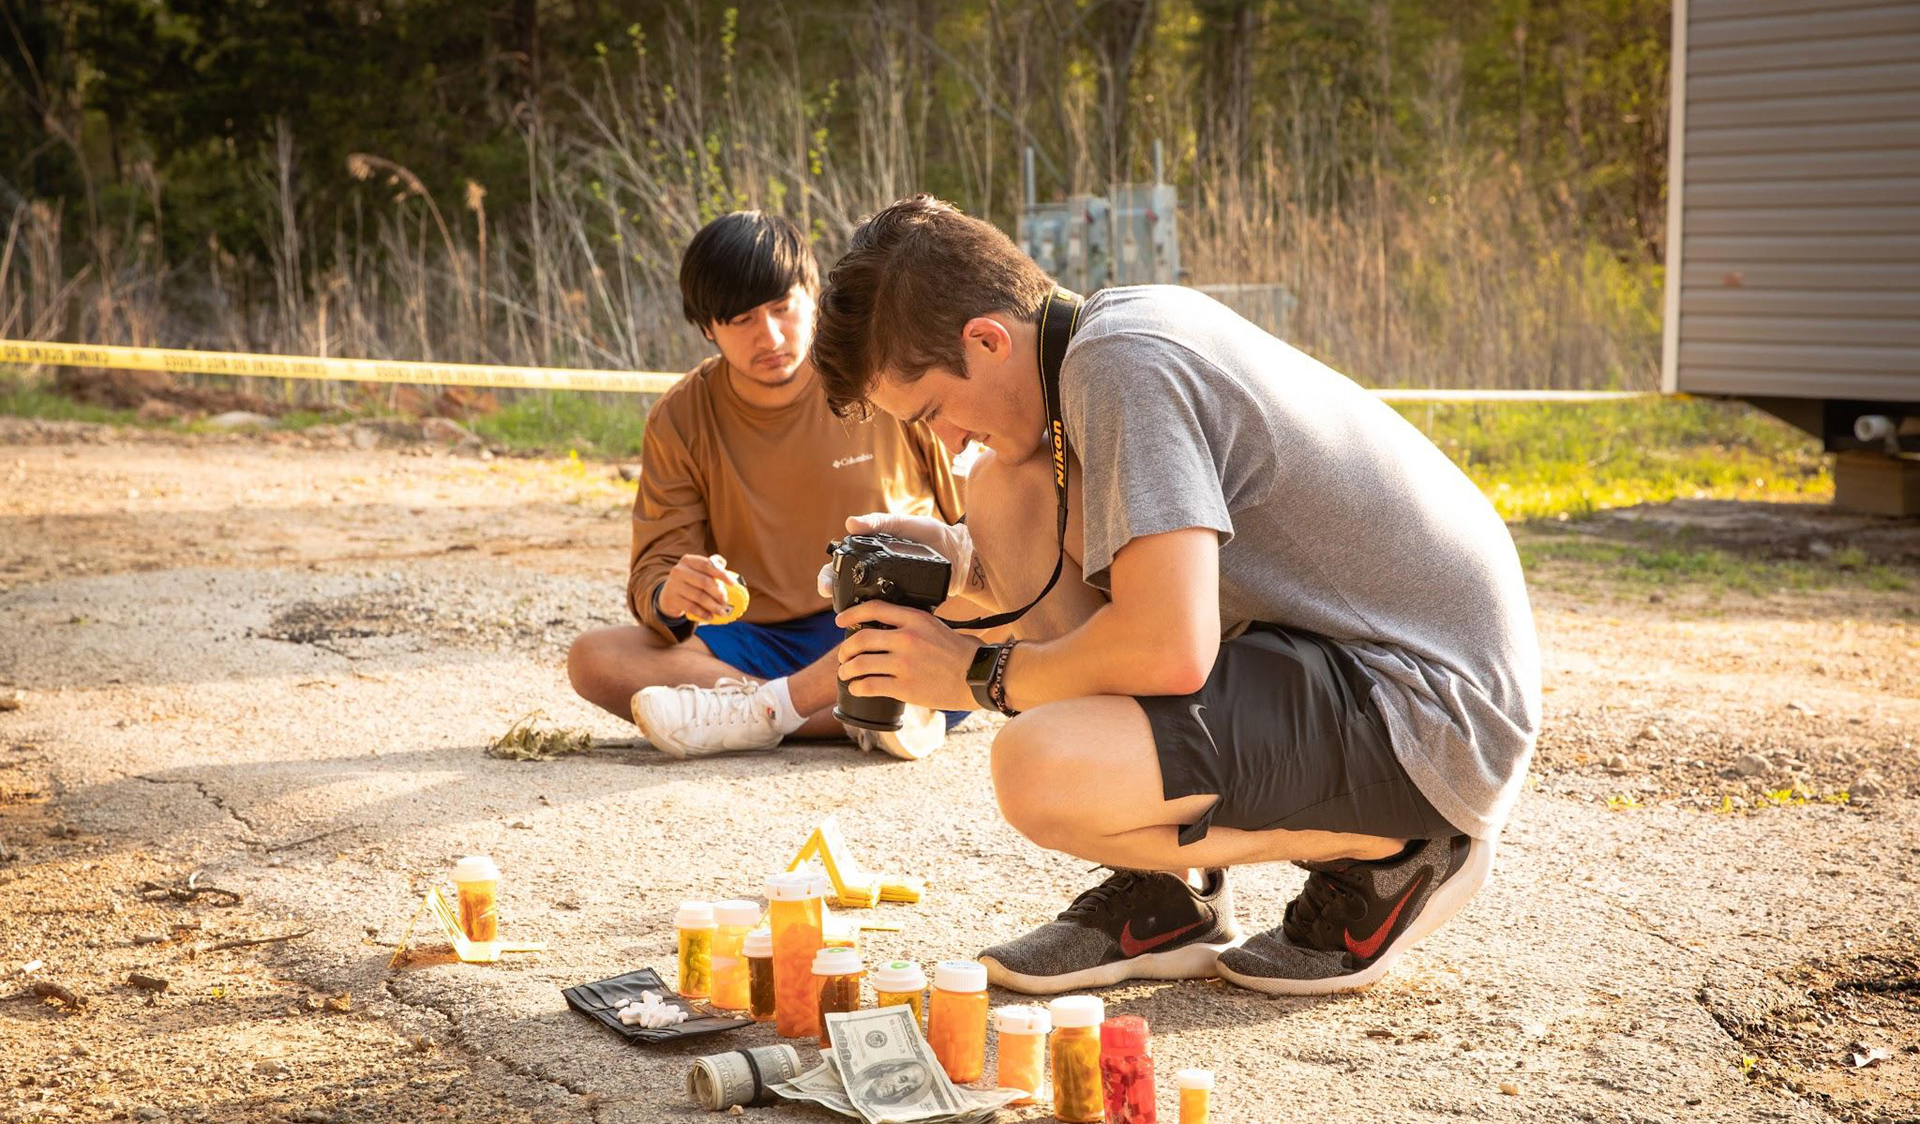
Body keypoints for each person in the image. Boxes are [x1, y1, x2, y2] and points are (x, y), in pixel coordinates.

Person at [808, 195, 1540, 995]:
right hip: (1341, 660)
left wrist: (974, 675)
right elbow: (1110, 574)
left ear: (985, 339)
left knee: (1038, 765)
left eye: (934, 413)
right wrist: (952, 570)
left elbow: (1168, 646)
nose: (944, 443)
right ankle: (1168, 892)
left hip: (1429, 709)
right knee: (1002, 491)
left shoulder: (1122, 363)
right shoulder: (1098, 350)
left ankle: (1401, 849)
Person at [567, 210, 966, 760]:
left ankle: (754, 714)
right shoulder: (681, 417)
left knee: (981, 626)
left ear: (813, 295)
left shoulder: (880, 372)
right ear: (708, 327)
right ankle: (864, 714)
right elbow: (656, 573)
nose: (771, 336)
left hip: (888, 622)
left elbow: (972, 517)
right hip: (761, 642)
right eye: (742, 320)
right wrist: (673, 594)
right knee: (596, 658)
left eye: (783, 309)